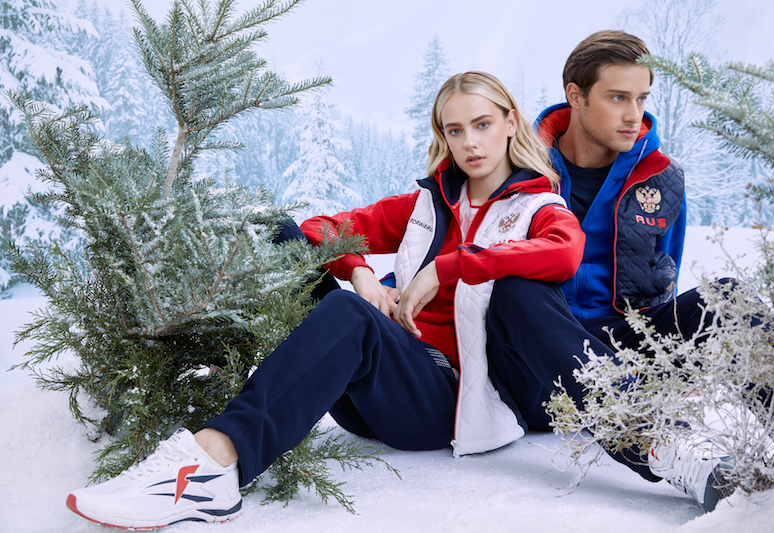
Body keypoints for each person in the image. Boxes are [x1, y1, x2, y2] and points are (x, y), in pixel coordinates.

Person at [65, 71, 585, 529]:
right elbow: (320, 228)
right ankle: (229, 391)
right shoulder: (428, 203)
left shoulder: (538, 205)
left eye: (482, 124)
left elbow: (564, 252)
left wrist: (448, 266)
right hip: (381, 385)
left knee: (348, 315)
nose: (469, 142)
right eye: (455, 130)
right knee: (279, 233)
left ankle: (214, 461)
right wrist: (360, 273)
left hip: (449, 399)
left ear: (510, 122)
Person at [485, 29, 733, 512]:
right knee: (515, 287)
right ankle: (664, 445)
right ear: (576, 96)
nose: (633, 114)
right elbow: (458, 242)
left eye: (641, 98)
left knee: (726, 298)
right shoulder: (515, 167)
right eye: (617, 97)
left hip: (627, 352)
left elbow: (665, 276)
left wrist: (677, 360)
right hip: (536, 366)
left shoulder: (662, 178)